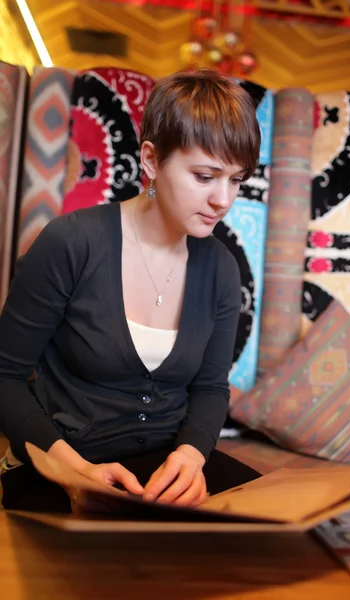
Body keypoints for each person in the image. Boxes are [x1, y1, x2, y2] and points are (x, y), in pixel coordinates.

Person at [0, 68, 262, 513]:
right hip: (62, 460)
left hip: (166, 468)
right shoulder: (71, 243)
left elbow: (211, 389)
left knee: (279, 544)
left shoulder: (221, 266)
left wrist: (191, 456)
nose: (224, 199)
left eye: (235, 179)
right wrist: (71, 469)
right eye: (205, 176)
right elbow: (4, 378)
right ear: (150, 160)